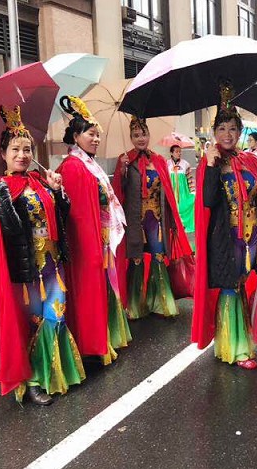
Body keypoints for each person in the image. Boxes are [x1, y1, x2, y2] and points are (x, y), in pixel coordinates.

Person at [0, 105, 85, 405]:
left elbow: (62, 218)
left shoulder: (39, 182)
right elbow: (12, 229)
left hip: (53, 264)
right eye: (15, 149)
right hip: (28, 272)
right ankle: (35, 381)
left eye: (27, 149)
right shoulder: (2, 188)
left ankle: (55, 373)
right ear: (3, 154)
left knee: (57, 315)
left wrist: (58, 192)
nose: (22, 155)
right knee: (37, 321)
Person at [192, 81, 257, 370]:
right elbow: (208, 201)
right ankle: (236, 349)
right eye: (221, 129)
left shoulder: (250, 162)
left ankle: (233, 342)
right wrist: (210, 166)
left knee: (241, 286)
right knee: (230, 289)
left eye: (233, 128)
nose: (227, 134)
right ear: (214, 133)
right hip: (225, 239)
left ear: (241, 131)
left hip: (250, 237)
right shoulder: (210, 163)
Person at [56, 96, 131, 365]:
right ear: (76, 137)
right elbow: (78, 215)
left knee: (105, 289)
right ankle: (93, 344)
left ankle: (104, 338)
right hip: (87, 242)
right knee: (90, 292)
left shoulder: (88, 164)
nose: (96, 139)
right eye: (91, 134)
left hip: (100, 238)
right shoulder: (73, 167)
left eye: (98, 134)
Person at [112, 116, 193, 320]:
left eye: (144, 134)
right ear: (131, 137)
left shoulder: (158, 160)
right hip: (135, 221)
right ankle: (135, 305)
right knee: (136, 260)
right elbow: (118, 193)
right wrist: (121, 171)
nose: (141, 138)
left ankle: (161, 303)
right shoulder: (125, 160)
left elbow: (168, 193)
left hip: (155, 219)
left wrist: (173, 221)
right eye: (136, 135)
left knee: (158, 256)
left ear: (149, 135)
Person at [167, 144, 195, 233]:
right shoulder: (166, 164)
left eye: (180, 151)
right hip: (171, 191)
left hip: (183, 192)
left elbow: (190, 178)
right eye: (176, 151)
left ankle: (183, 225)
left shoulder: (185, 164)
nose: (179, 153)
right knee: (172, 208)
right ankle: (173, 225)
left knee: (184, 206)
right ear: (171, 153)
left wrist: (193, 191)